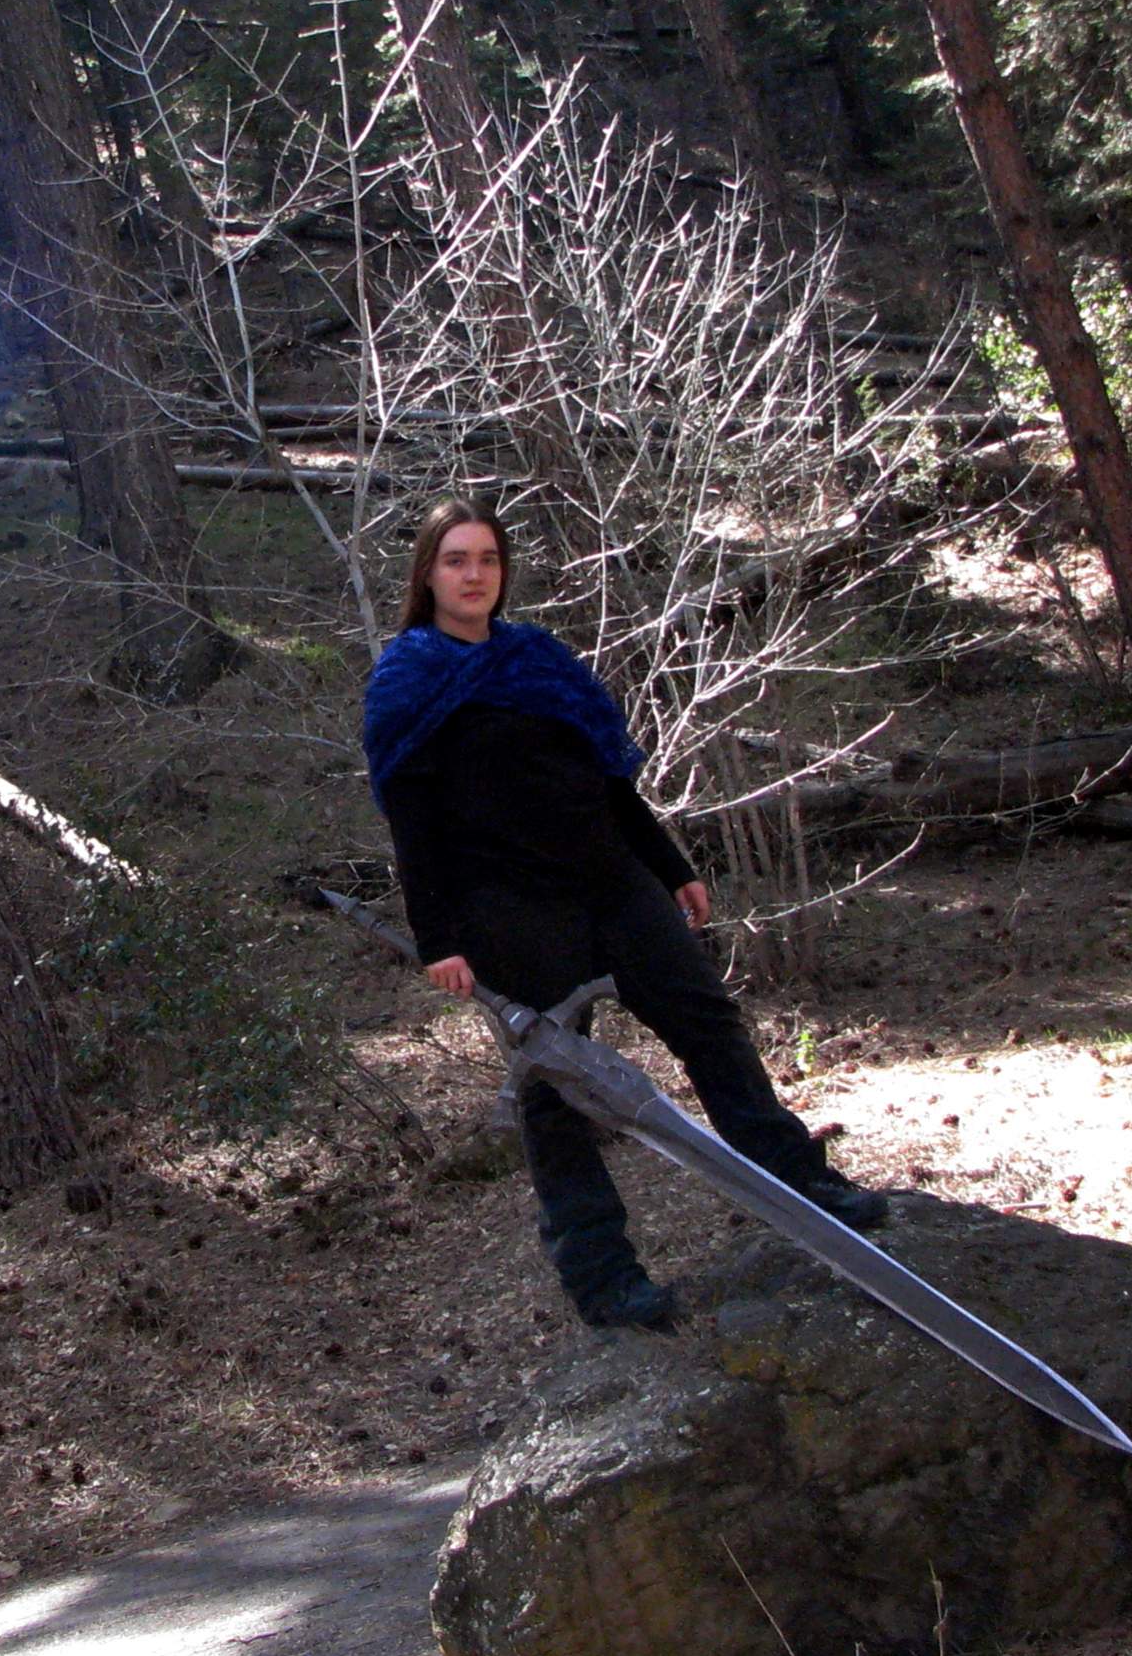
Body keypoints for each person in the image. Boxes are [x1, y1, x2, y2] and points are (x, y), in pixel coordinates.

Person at [364, 496, 886, 1331]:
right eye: (456, 559)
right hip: (506, 906)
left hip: (611, 879)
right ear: (427, 572)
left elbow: (609, 782)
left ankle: (802, 1183)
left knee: (707, 1020)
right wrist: (439, 937)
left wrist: (670, 865)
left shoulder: (538, 660)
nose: (473, 575)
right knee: (558, 1088)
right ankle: (603, 1276)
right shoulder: (406, 679)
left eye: (487, 560)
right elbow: (412, 822)